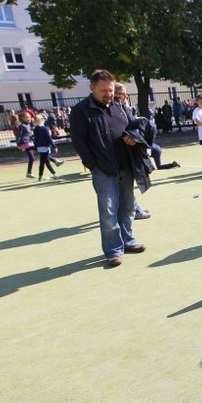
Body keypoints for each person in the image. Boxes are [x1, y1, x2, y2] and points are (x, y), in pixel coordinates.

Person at [69, 69, 147, 267]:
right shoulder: (81, 111)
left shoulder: (120, 106)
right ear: (92, 88)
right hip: (103, 170)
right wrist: (93, 165)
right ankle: (113, 250)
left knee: (128, 207)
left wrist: (134, 137)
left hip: (126, 166)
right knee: (109, 211)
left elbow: (134, 126)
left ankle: (128, 241)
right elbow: (79, 141)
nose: (108, 94)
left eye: (111, 90)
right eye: (104, 90)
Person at [32, 115, 59, 181]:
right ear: (42, 120)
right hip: (45, 147)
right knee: (43, 162)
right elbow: (49, 138)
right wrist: (54, 146)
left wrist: (35, 147)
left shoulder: (35, 129)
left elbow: (35, 139)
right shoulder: (45, 128)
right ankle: (40, 176)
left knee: (47, 162)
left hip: (40, 147)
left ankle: (54, 174)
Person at [15, 111, 37, 178]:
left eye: (29, 117)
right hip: (25, 143)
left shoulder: (29, 125)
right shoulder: (22, 126)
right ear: (22, 118)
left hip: (30, 142)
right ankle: (54, 160)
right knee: (40, 150)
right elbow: (18, 135)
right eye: (27, 117)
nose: (29, 118)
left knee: (32, 158)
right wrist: (18, 144)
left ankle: (29, 173)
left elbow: (30, 134)